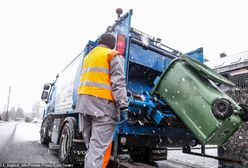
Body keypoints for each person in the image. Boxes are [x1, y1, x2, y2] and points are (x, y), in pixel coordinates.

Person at [76, 33, 128, 168]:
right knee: (97, 150)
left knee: (92, 148)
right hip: (103, 108)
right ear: (112, 45)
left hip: (84, 106)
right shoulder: (111, 55)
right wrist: (123, 104)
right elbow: (118, 82)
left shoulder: (89, 57)